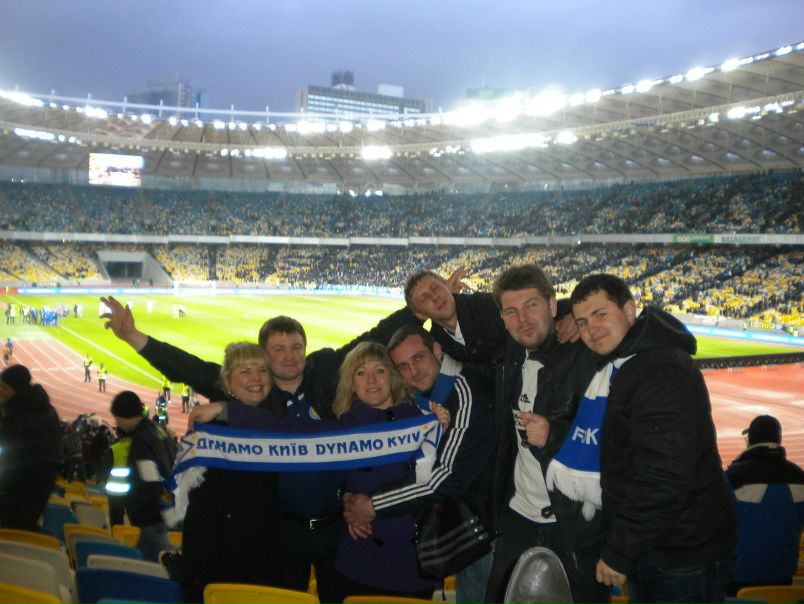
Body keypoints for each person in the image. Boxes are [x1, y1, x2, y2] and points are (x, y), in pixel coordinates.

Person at [100, 294, 412, 604]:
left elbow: (376, 337)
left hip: (338, 527)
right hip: (282, 534)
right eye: (279, 349)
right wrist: (133, 336)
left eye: (296, 347)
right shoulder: (255, 393)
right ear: (265, 355)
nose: (289, 356)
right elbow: (189, 368)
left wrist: (418, 308)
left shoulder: (326, 375)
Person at [193, 342, 441, 600]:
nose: (372, 380)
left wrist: (372, 507)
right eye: (361, 373)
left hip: (412, 558)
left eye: (380, 370)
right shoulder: (343, 429)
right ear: (351, 384)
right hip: (362, 558)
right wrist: (225, 409)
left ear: (393, 377)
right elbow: (285, 430)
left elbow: (434, 484)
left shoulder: (420, 421)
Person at [570, 273, 736, 604]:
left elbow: (664, 475)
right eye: (582, 322)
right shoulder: (633, 362)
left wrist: (620, 550)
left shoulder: (658, 369)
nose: (591, 329)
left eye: (601, 314)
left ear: (630, 310)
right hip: (664, 548)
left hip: (680, 555)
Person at [344, 325, 494, 604]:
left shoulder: (464, 391)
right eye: (403, 366)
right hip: (458, 530)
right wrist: (348, 499)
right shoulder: (423, 401)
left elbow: (446, 478)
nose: (413, 371)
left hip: (483, 530)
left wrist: (370, 507)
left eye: (418, 358)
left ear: (436, 350)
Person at [484, 265, 606, 604]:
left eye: (531, 306)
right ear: (503, 319)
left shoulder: (587, 355)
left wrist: (553, 435)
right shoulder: (510, 357)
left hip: (573, 529)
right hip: (518, 522)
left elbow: (614, 440)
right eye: (511, 311)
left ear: (552, 305)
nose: (522, 319)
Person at [179, 343, 282, 604]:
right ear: (227, 381)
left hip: (264, 557)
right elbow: (202, 512)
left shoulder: (276, 418)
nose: (256, 378)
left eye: (262, 370)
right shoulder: (210, 430)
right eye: (245, 371)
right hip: (220, 562)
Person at [726, 414, 804, 594]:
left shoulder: (733, 477)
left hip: (738, 580)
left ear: (750, 440)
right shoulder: (799, 477)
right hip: (783, 579)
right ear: (779, 439)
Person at [110, 390, 177, 561]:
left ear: (124, 416)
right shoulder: (157, 429)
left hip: (151, 518)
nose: (117, 424)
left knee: (162, 564)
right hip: (163, 511)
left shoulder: (141, 440)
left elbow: (150, 481)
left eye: (117, 419)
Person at [0, 364, 62, 530]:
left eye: (3, 387)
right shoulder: (47, 409)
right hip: (42, 482)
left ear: (15, 388)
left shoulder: (17, 414)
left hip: (20, 483)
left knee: (11, 528)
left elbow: (10, 453)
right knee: (24, 526)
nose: (1, 391)